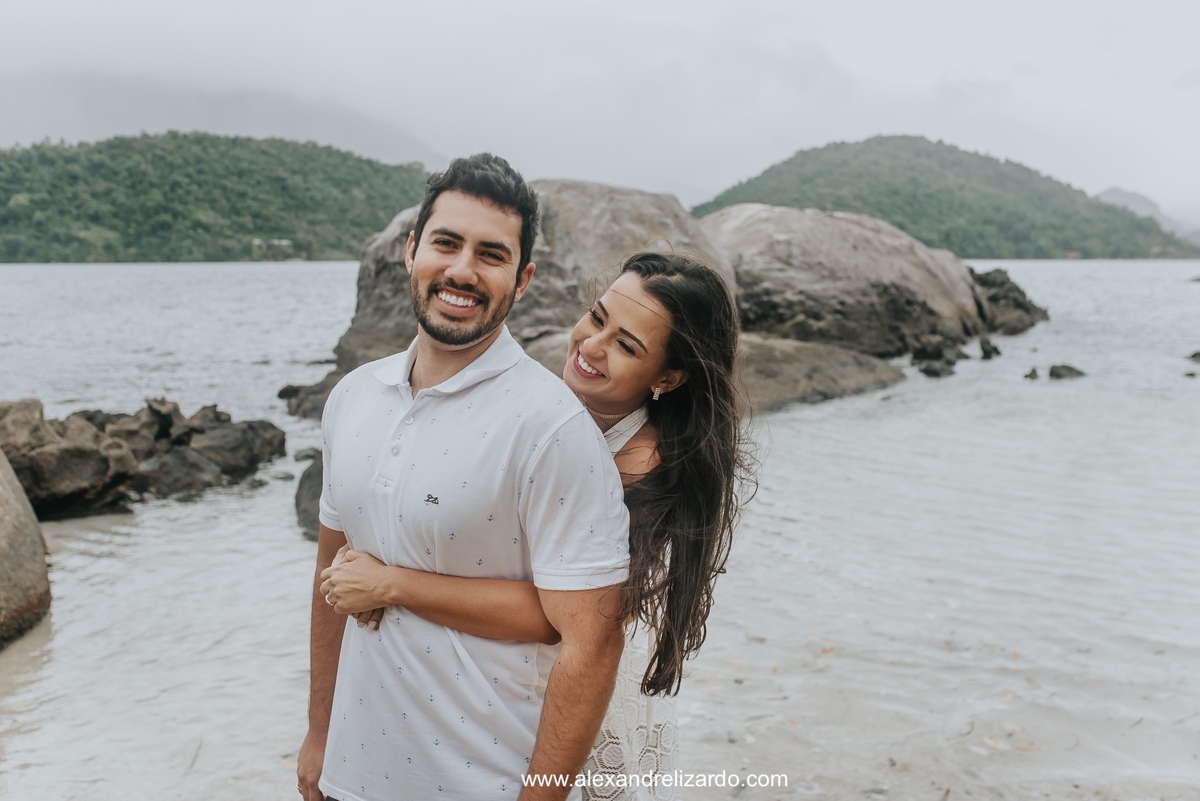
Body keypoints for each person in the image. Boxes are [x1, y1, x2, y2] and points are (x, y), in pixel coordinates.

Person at [321, 251, 753, 800]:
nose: (592, 347)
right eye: (598, 319)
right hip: (489, 697)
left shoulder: (639, 466)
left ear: (667, 377)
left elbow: (560, 619)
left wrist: (391, 584)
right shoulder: (554, 415)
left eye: (626, 345)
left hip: (566, 722)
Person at [298, 153, 634, 801]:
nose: (461, 270)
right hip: (354, 773)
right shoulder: (351, 398)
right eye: (446, 243)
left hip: (486, 780)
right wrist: (318, 736)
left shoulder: (552, 427)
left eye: (491, 254)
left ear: (524, 278)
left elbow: (592, 644)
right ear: (411, 249)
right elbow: (329, 581)